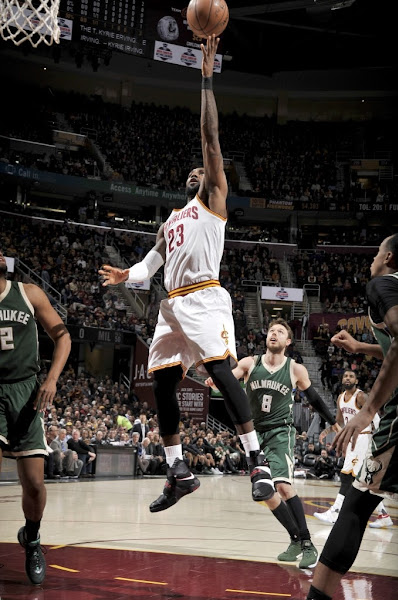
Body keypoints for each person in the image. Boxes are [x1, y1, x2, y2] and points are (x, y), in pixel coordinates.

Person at [99, 35, 267, 513]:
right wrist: (123, 275)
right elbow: (151, 266)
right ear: (184, 180)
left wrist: (207, 78)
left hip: (206, 296)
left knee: (217, 368)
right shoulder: (169, 221)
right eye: (194, 170)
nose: (199, 170)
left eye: (205, 169)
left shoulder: (214, 199)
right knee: (164, 382)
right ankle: (178, 471)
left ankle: (257, 460)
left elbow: (210, 139)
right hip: (171, 304)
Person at [305, 233, 398, 600]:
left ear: (389, 257)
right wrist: (361, 347)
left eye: (376, 253)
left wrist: (368, 410)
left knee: (356, 506)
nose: (372, 259)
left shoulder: (383, 283)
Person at [205, 318, 340, 568]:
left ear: (288, 341)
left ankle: (308, 544)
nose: (273, 334)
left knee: (283, 486)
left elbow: (314, 398)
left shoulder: (295, 369)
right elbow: (226, 386)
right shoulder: (249, 363)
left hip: (280, 432)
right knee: (266, 493)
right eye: (270, 331)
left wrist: (332, 422)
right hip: (254, 436)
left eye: (279, 331)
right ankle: (295, 540)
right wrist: (215, 382)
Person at [0, 249, 71, 585]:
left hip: (27, 392)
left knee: (35, 484)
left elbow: (63, 337)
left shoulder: (28, 293)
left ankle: (32, 538)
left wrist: (52, 379)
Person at [314, 370, 392, 526]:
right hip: (352, 440)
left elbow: (375, 418)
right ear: (342, 380)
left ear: (356, 381)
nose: (347, 378)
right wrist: (328, 431)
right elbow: (339, 422)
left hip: (363, 437)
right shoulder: (340, 398)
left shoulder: (361, 396)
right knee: (363, 480)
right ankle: (383, 515)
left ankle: (336, 511)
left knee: (347, 476)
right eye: (345, 376)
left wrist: (379, 441)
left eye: (351, 376)